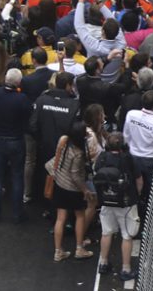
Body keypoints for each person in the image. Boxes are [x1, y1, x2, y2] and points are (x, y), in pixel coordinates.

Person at [29, 71, 81, 216]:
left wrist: (41, 140)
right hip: (65, 149)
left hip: (45, 147)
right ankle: (61, 211)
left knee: (46, 175)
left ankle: (47, 207)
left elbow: (32, 125)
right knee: (65, 180)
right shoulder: (75, 104)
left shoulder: (41, 100)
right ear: (68, 85)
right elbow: (77, 129)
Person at [0, 68, 32, 223]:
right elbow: (28, 118)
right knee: (17, 177)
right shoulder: (22, 99)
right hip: (15, 141)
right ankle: (17, 213)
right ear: (19, 83)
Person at [94, 133, 142, 282]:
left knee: (106, 232)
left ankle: (103, 263)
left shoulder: (101, 158)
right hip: (126, 203)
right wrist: (136, 196)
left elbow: (96, 174)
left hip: (106, 202)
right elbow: (139, 179)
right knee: (127, 235)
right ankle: (126, 269)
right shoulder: (128, 159)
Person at [50, 121, 95, 262]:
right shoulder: (78, 152)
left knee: (60, 218)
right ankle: (79, 248)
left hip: (59, 183)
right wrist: (85, 190)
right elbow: (75, 175)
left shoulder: (63, 140)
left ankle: (58, 251)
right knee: (80, 216)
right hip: (73, 189)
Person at [122, 90, 153, 225]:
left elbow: (126, 136)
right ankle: (146, 219)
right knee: (149, 192)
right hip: (149, 162)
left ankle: (134, 215)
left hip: (133, 157)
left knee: (133, 189)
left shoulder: (131, 115)